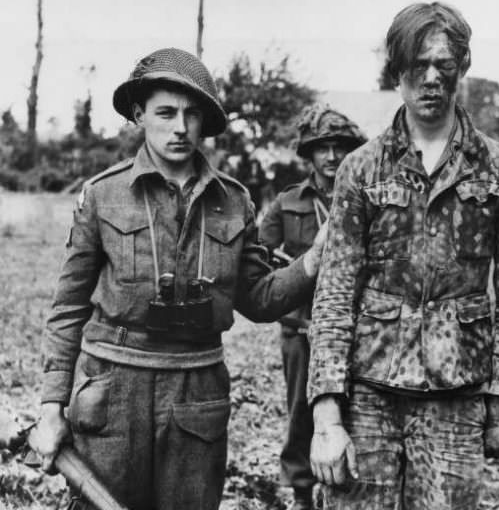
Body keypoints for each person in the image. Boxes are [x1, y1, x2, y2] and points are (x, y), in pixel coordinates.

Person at [30, 47, 326, 510]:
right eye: (165, 112)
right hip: (113, 393)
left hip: (196, 397)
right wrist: (51, 409)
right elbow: (68, 309)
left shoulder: (234, 202)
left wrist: (313, 261)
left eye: (192, 115)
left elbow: (259, 298)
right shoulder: (103, 196)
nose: (180, 127)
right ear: (139, 114)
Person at [307, 2, 499, 509]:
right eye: (419, 65)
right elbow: (333, 293)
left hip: (457, 401)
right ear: (398, 71)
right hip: (369, 396)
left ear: (462, 68)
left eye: (445, 65)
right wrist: (327, 416)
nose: (432, 78)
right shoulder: (361, 168)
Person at [259, 105, 366, 510]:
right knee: (301, 413)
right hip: (301, 328)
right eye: (322, 148)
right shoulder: (288, 203)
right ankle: (302, 492)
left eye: (340, 147)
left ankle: (349, 489)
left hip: (354, 329)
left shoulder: (364, 198)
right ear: (309, 153)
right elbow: (256, 258)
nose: (332, 157)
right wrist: (293, 270)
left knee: (354, 411)